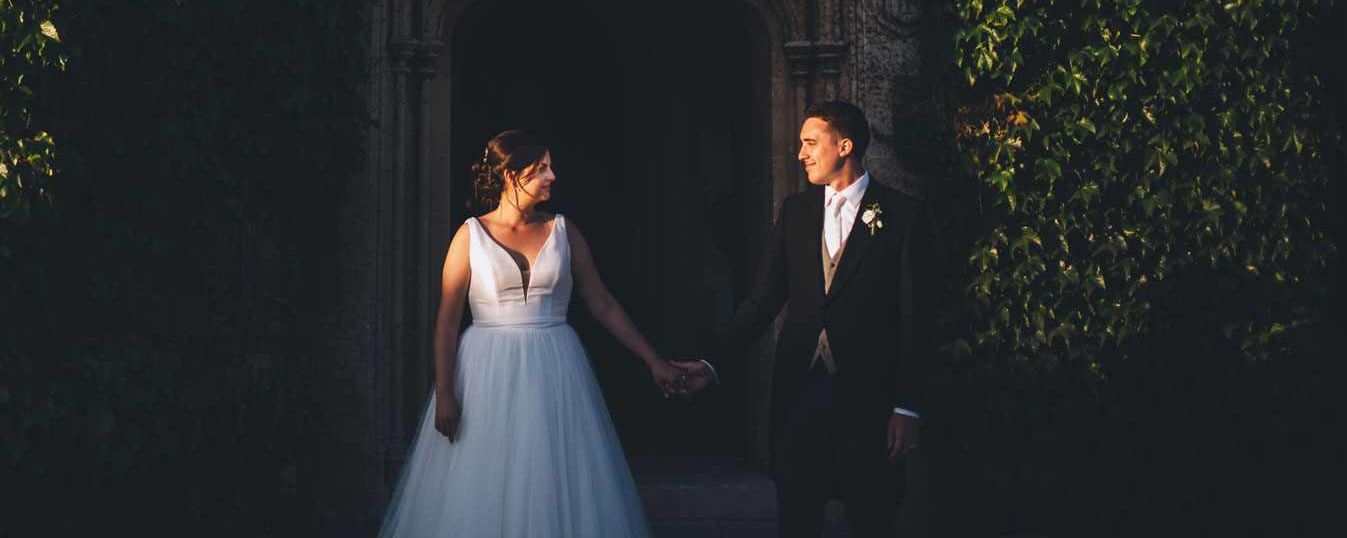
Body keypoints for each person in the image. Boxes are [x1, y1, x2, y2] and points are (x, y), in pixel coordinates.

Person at [376, 129, 687, 537]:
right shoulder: (469, 236)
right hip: (486, 372)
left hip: (556, 367)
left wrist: (654, 361)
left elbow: (603, 304)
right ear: (510, 174)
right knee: (485, 479)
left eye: (550, 167)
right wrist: (446, 393)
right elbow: (448, 322)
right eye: (541, 168)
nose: (552, 176)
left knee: (554, 476)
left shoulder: (564, 230)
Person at [675, 101, 934, 538]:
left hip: (871, 398)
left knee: (872, 516)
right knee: (797, 516)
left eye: (810, 143)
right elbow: (763, 301)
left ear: (845, 146)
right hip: (799, 393)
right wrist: (713, 364)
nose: (801, 154)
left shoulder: (904, 217)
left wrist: (907, 406)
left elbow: (917, 320)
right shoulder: (795, 211)